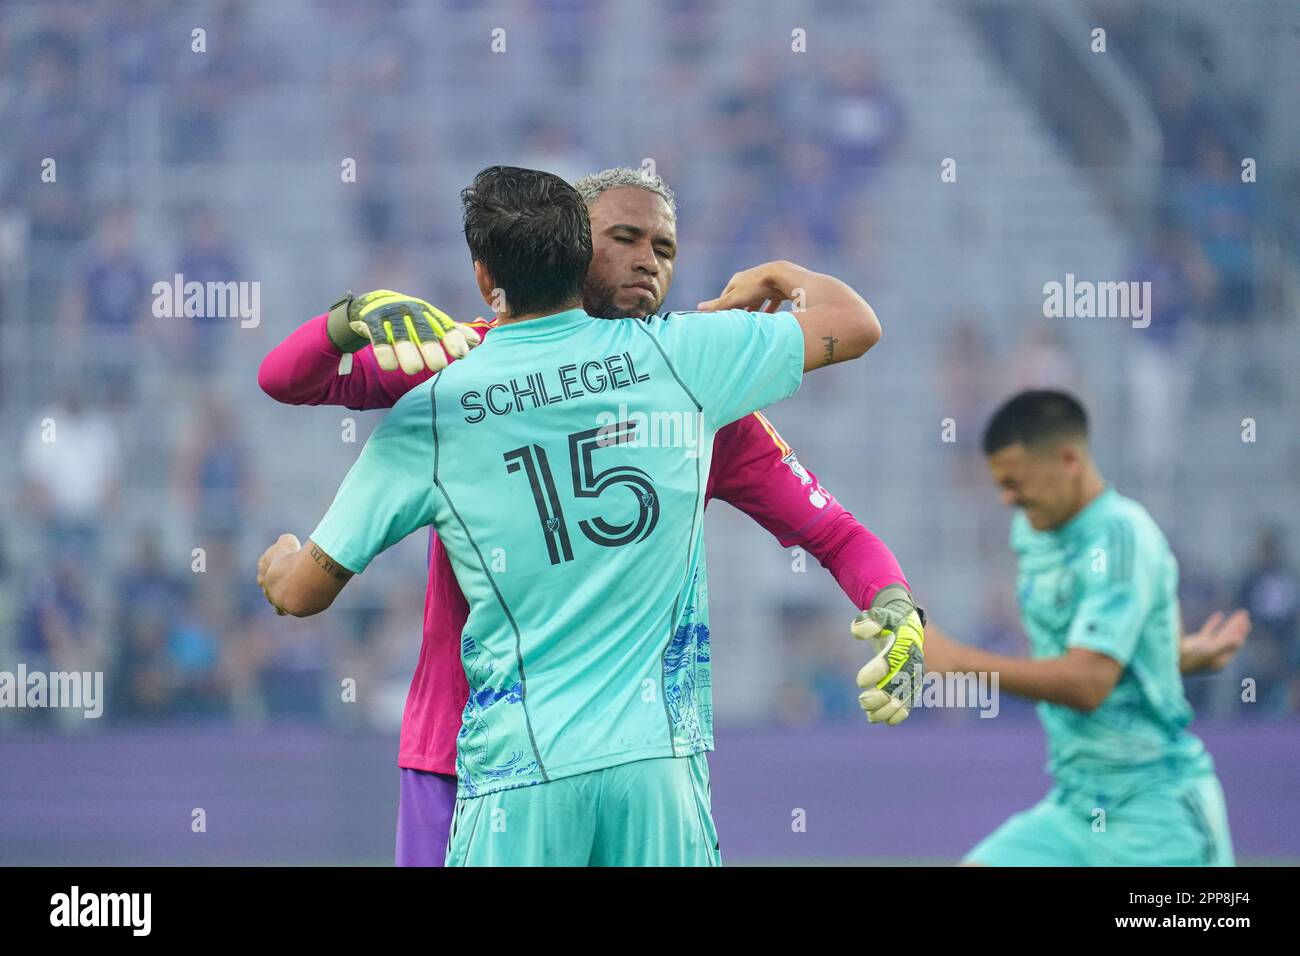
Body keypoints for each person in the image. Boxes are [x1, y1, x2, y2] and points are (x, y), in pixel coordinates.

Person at [257, 166, 922, 866]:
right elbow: (286, 380)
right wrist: (348, 319)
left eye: (664, 249)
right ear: (574, 249)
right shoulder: (462, 361)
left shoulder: (700, 397)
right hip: (457, 746)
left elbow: (835, 533)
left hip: (546, 763)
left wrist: (899, 606)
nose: (647, 262)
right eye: (625, 238)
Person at [923, 390, 1248, 866]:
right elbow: (1102, 650)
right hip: (1076, 806)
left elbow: (1088, 681)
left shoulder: (1121, 538)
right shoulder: (1033, 530)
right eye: (1000, 485)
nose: (1007, 499)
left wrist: (960, 662)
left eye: (1016, 483)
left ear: (1069, 459)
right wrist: (1172, 656)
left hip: (1156, 811)